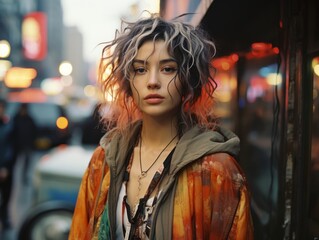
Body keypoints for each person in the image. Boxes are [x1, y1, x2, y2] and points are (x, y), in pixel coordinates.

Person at [69, 14, 254, 239]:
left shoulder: (216, 171)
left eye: (168, 69)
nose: (153, 81)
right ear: (128, 82)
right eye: (140, 69)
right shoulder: (104, 161)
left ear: (187, 80)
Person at [12, 103, 37, 184]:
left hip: (27, 145)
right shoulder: (16, 118)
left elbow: (34, 132)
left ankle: (24, 176)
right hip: (17, 145)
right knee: (15, 162)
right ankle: (14, 177)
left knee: (27, 163)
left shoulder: (30, 119)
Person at [0, 99, 14, 230]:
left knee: (6, 196)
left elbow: (10, 149)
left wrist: (5, 167)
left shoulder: (8, 126)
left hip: (5, 169)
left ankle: (4, 218)